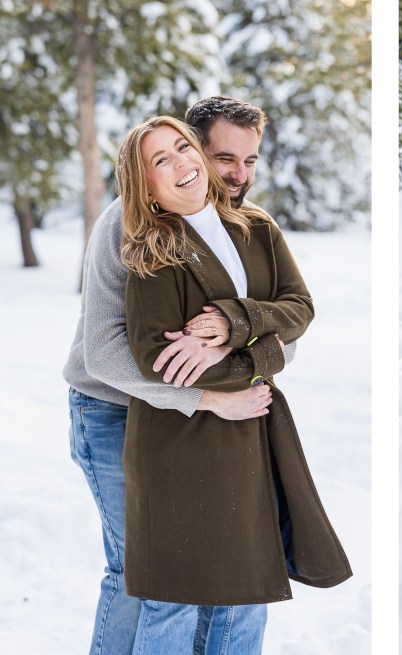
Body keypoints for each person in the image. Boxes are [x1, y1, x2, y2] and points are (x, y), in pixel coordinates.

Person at [115, 115, 351, 651]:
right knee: (172, 601)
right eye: (160, 160)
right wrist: (261, 354)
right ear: (146, 186)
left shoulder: (257, 228)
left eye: (182, 147)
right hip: (178, 442)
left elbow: (299, 308)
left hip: (250, 431)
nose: (181, 163)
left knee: (246, 596)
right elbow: (159, 358)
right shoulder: (152, 251)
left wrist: (232, 324)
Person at [64, 97, 289, 654]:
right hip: (112, 410)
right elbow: (103, 352)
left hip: (191, 416)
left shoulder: (237, 224)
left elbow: (282, 324)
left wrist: (238, 332)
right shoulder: (128, 223)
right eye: (224, 158)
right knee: (141, 575)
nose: (238, 175)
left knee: (208, 572)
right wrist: (205, 398)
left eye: (251, 161)